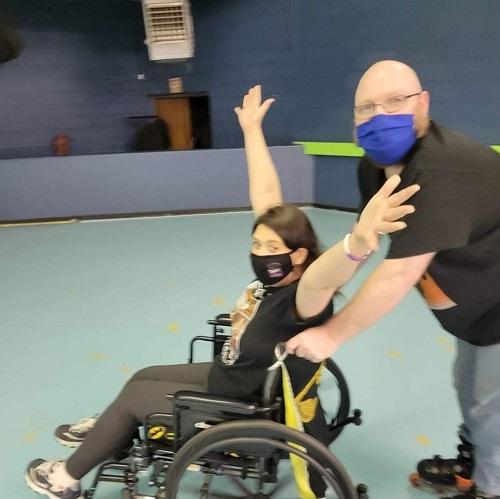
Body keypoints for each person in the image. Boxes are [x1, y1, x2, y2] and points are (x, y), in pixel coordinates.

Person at [25, 85, 418, 499]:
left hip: (244, 399)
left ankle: (65, 478)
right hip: (234, 375)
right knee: (142, 377)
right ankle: (111, 432)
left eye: (272, 248)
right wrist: (251, 130)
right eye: (257, 244)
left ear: (300, 255)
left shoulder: (305, 292)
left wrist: (358, 240)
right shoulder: (276, 278)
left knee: (135, 398)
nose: (261, 253)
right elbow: (266, 196)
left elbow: (329, 273)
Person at [286, 60, 500, 499]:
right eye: (366, 108)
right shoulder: (372, 170)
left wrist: (332, 335)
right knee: (468, 384)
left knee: (490, 401)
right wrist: (317, 294)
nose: (379, 116)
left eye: (394, 102)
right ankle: (475, 463)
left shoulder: (442, 167)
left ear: (423, 104)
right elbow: (365, 242)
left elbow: (401, 270)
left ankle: (492, 487)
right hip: (476, 302)